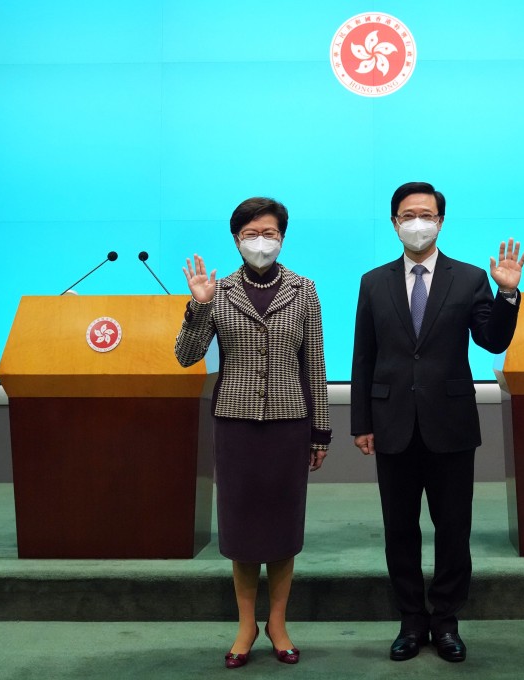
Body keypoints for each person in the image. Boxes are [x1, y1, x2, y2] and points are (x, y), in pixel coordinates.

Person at [350, 181, 524, 663]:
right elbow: (364, 356)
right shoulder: (373, 281)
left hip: (450, 424)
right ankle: (411, 620)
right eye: (408, 215)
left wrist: (508, 293)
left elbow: (492, 340)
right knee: (399, 529)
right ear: (394, 223)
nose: (417, 223)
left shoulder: (469, 278)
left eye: (426, 215)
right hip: (391, 423)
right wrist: (361, 421)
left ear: (441, 222)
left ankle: (446, 621)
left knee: (453, 529)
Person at [175, 196, 331, 669]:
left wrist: (320, 432)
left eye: (270, 233)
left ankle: (278, 624)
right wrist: (198, 306)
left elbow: (315, 364)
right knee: (241, 531)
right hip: (236, 424)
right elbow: (186, 356)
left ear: (282, 238)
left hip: (289, 423)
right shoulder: (217, 291)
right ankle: (246, 626)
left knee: (283, 529)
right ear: (236, 239)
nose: (261, 242)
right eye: (251, 234)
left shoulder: (304, 289)